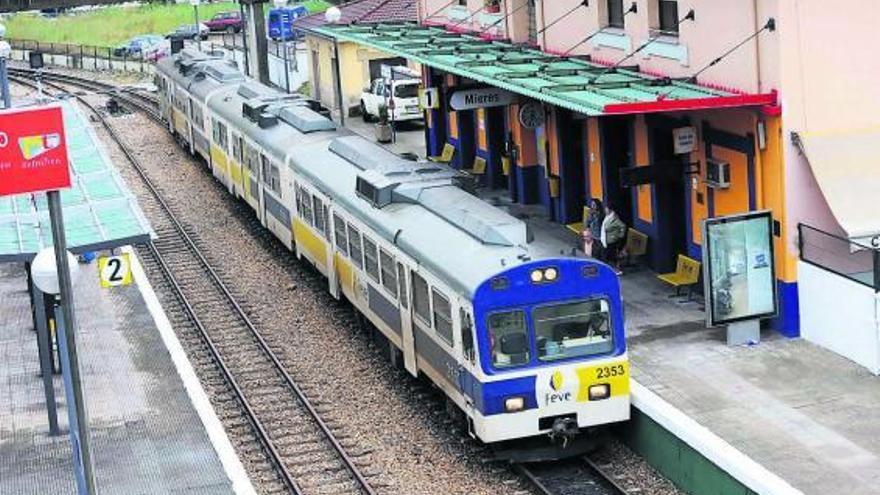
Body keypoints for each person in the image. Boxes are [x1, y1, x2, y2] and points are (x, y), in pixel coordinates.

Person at [600, 202, 626, 274]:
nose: (605, 210)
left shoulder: (615, 218)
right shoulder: (607, 217)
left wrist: (619, 235)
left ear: (610, 210)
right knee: (607, 256)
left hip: (612, 241)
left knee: (612, 256)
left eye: (606, 209)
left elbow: (622, 226)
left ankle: (617, 270)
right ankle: (611, 269)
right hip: (605, 240)